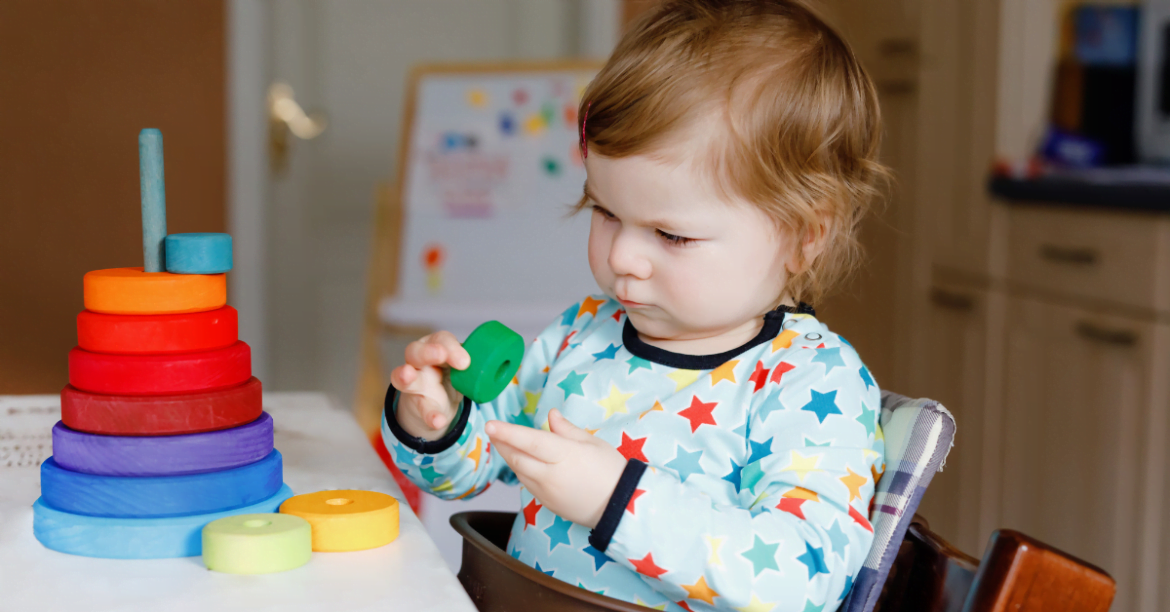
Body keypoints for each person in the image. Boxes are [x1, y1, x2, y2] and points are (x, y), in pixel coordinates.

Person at [384, 1, 888, 610]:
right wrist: (435, 419)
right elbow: (467, 469)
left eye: (671, 235)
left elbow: (800, 583)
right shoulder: (582, 335)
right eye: (605, 211)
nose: (623, 255)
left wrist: (616, 500)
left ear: (804, 237)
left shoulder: (808, 380)